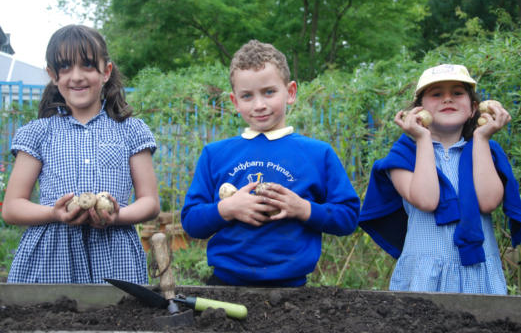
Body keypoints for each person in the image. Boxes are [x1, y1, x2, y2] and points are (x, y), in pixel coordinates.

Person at [181, 40, 360, 287]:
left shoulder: (318, 154)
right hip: (225, 288)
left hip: (292, 291)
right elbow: (191, 222)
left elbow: (348, 217)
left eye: (269, 92)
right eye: (247, 96)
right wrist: (228, 209)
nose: (259, 105)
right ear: (234, 101)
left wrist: (303, 209)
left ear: (291, 92)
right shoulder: (215, 154)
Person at [2, 25, 160, 284]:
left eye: (87, 65)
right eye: (65, 67)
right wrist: (54, 214)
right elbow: (11, 207)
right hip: (51, 258)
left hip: (115, 257)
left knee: (116, 321)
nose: (76, 76)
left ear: (106, 71)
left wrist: (116, 217)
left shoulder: (131, 130)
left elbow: (150, 202)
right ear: (53, 75)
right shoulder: (39, 133)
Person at [359, 64, 521, 294]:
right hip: (424, 275)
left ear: (473, 108)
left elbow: (487, 201)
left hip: (478, 274)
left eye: (457, 93)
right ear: (419, 109)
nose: (448, 99)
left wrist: (483, 139)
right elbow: (427, 199)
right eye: (436, 94)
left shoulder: (486, 150)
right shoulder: (402, 156)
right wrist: (422, 138)